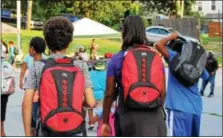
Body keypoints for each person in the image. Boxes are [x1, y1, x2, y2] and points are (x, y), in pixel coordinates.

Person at [22, 16, 96, 136]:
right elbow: (91, 102)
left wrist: (27, 134)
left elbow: (27, 103)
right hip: (75, 129)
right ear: (70, 42)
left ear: (46, 42)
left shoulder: (38, 66)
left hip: (47, 130)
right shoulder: (80, 65)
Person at [102, 16, 167, 137]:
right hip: (155, 119)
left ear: (124, 32)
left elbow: (109, 93)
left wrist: (105, 122)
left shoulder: (116, 59)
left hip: (128, 119)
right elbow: (162, 92)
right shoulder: (155, 57)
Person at [155, 33, 209, 136]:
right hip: (195, 109)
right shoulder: (196, 65)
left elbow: (158, 44)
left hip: (178, 109)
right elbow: (206, 77)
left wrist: (171, 36)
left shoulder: (174, 57)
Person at [20, 37, 47, 136]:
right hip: (44, 101)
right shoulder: (48, 63)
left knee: (33, 128)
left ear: (33, 49)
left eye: (29, 48)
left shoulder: (36, 66)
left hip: (34, 100)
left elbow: (26, 103)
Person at [88, 60, 106, 130]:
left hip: (91, 93)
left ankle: (91, 123)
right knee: (100, 110)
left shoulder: (90, 73)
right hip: (101, 94)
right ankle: (99, 125)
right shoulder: (105, 73)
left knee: (90, 108)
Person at [1, 42, 12, 137]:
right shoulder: (3, 45)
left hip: (3, 83)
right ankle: (2, 131)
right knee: (3, 107)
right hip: (5, 84)